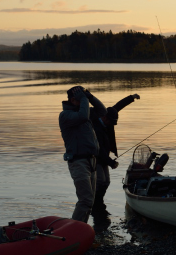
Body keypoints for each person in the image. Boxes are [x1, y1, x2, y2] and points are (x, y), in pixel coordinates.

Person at [90, 93, 141, 227]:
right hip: (97, 158)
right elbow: (99, 151)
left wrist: (131, 97)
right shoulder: (96, 127)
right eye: (111, 122)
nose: (112, 125)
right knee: (100, 181)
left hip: (105, 157)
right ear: (105, 118)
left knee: (107, 181)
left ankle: (99, 202)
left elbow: (118, 106)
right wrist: (111, 162)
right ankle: (95, 204)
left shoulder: (109, 115)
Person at [59, 86, 106, 223]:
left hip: (91, 161)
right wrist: (84, 100)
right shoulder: (66, 116)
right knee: (85, 200)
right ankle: (74, 230)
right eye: (80, 98)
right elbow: (83, 116)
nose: (84, 101)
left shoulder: (85, 111)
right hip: (78, 162)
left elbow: (103, 111)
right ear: (73, 100)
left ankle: (81, 230)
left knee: (89, 201)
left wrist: (90, 97)